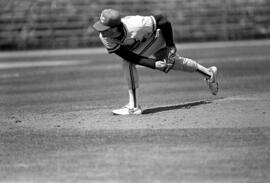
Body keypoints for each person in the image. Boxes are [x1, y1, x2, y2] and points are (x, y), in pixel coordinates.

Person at [92, 9, 219, 115]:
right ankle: (209, 73)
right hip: (144, 43)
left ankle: (133, 107)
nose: (101, 31)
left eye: (105, 28)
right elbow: (127, 55)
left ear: (115, 28)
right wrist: (154, 64)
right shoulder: (105, 37)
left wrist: (170, 45)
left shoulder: (136, 25)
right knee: (174, 63)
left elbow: (162, 20)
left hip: (157, 36)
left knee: (128, 64)